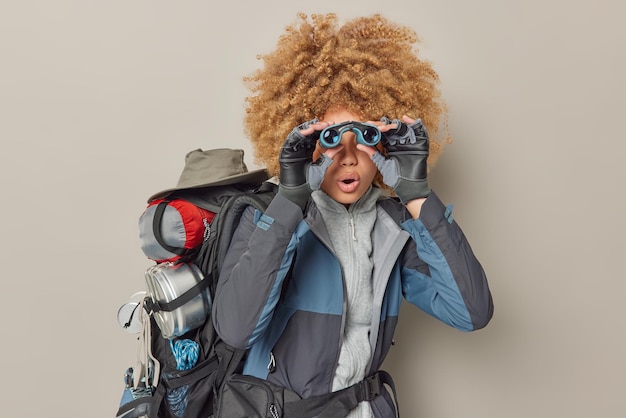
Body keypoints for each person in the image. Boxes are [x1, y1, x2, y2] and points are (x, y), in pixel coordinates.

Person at [212, 13, 493, 418]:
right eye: (330, 139)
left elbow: (472, 312)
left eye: (363, 137)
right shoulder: (268, 216)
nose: (347, 157)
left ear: (384, 142)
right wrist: (291, 199)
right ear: (304, 141)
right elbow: (236, 330)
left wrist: (417, 196)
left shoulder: (394, 226)